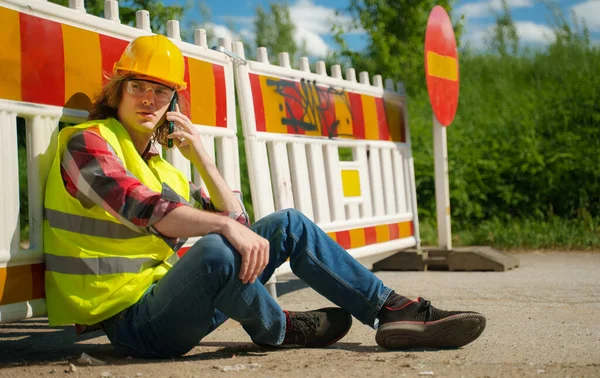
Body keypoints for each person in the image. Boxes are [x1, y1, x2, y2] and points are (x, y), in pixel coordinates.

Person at [43, 34, 486, 359]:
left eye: (161, 91)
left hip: (175, 299)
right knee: (220, 247)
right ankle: (281, 327)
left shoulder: (160, 166)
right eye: (138, 86)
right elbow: (144, 209)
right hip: (131, 325)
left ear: (173, 103)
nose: (148, 99)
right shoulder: (87, 142)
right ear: (117, 88)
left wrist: (201, 156)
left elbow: (240, 219)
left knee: (285, 224)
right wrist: (222, 226)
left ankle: (392, 310)